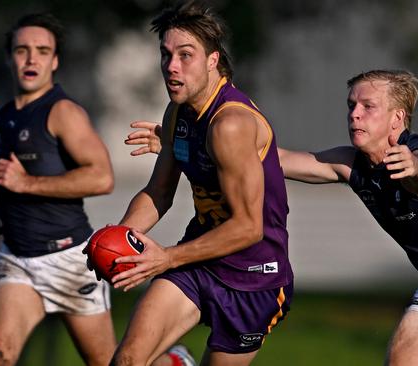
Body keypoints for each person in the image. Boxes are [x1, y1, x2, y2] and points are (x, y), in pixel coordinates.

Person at [128, 69, 418, 365]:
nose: (355, 114)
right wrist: (184, 139)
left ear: (398, 119)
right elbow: (273, 158)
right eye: (351, 105)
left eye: (368, 106)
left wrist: (416, 167)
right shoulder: (352, 165)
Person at [106, 2, 293, 365]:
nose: (171, 66)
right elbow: (159, 192)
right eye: (166, 55)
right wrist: (117, 242)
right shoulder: (178, 111)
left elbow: (249, 228)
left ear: (213, 60)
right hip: (199, 261)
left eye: (185, 55)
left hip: (254, 278)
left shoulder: (231, 124)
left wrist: (166, 257)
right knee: (127, 360)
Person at [0, 13, 116, 366]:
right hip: (17, 259)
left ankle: (173, 361)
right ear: (10, 57)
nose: (31, 59)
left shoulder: (64, 112)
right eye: (22, 50)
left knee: (112, 362)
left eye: (42, 51)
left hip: (69, 259)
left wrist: (25, 183)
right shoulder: (7, 114)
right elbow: (12, 183)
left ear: (54, 61)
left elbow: (102, 177)